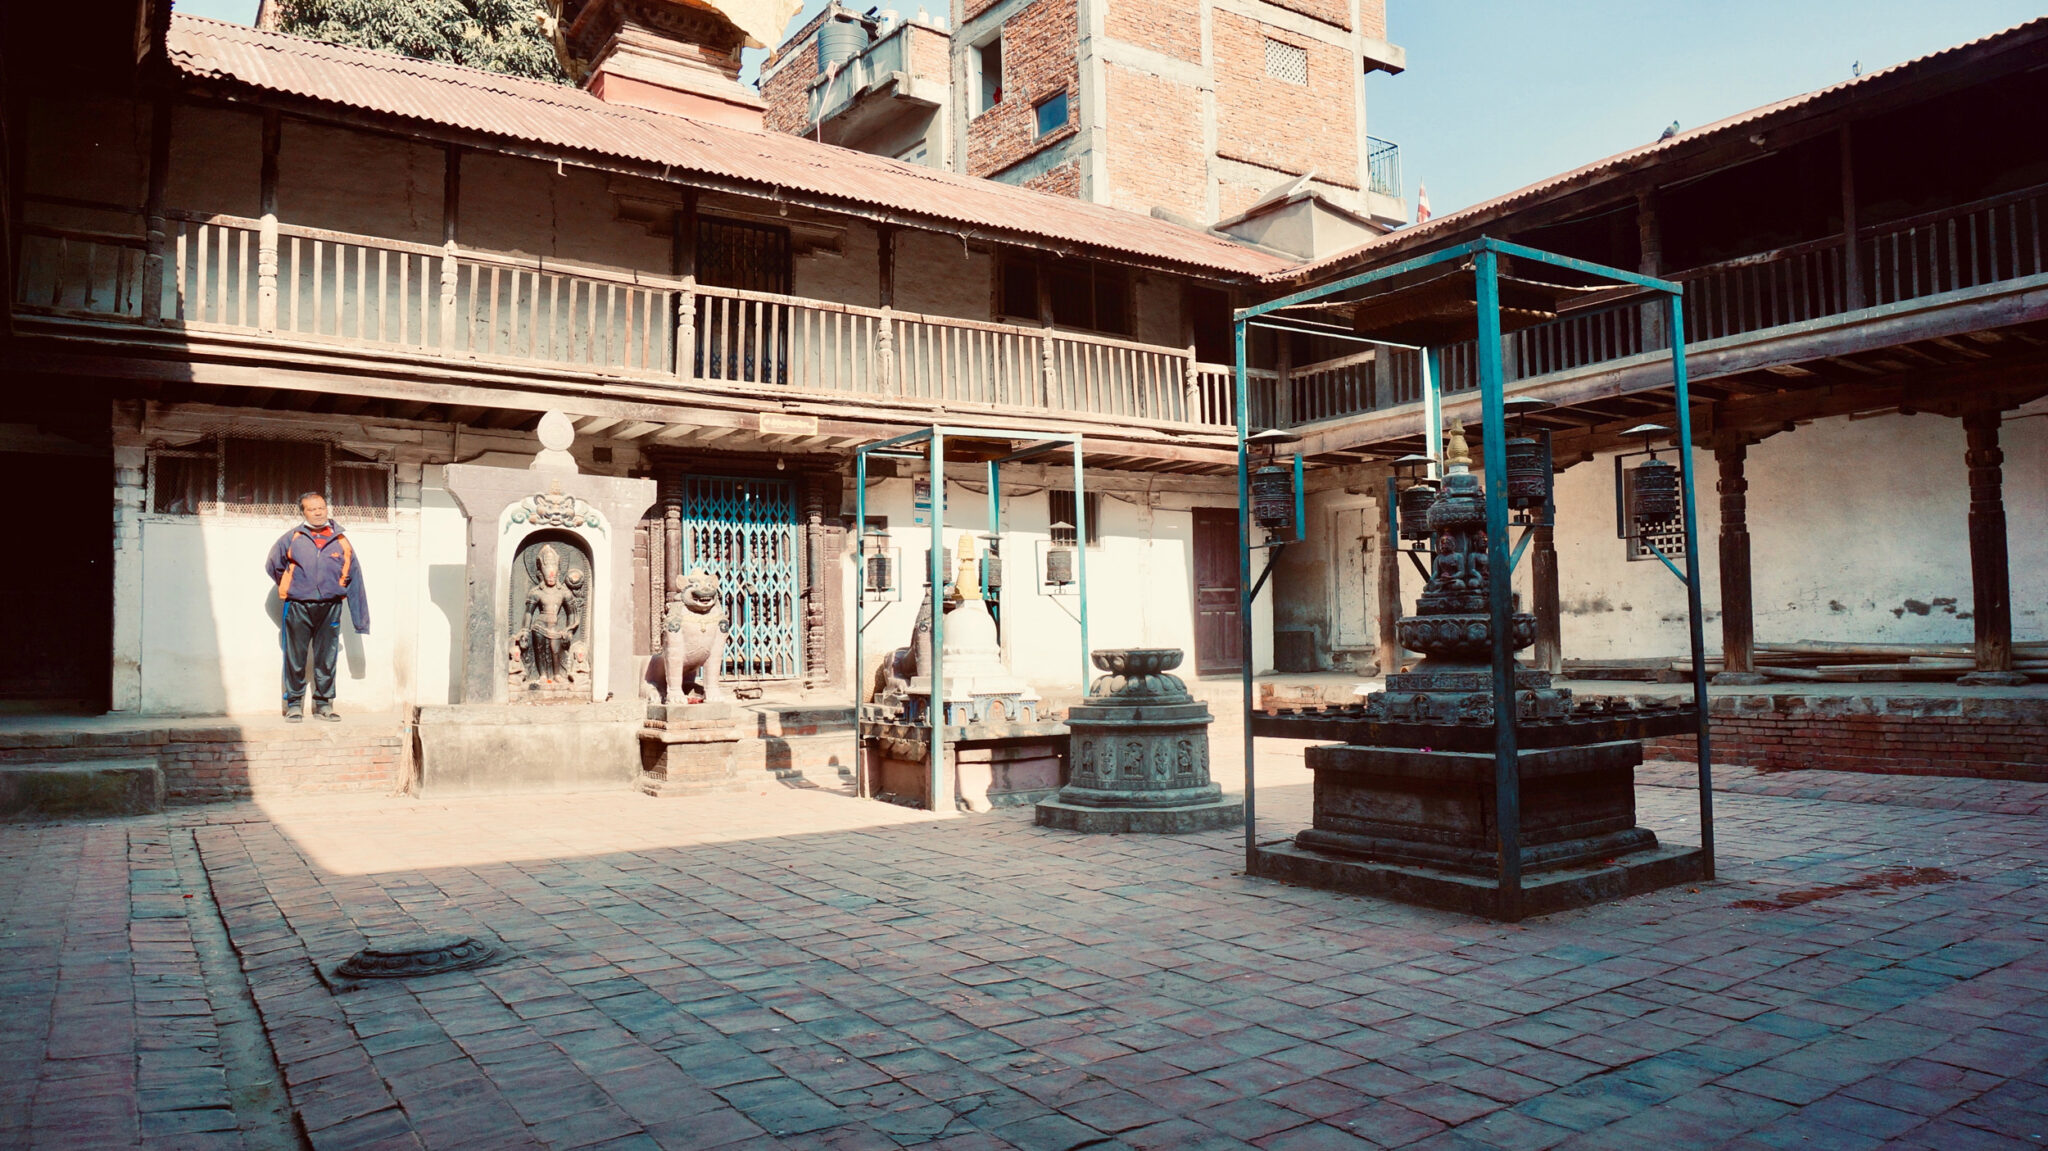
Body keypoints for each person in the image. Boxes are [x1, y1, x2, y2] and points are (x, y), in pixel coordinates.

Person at [265, 492, 370, 721]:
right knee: (295, 657)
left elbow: (355, 578)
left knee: (326, 657)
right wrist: (295, 585)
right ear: (302, 512)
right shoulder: (292, 538)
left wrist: (361, 621)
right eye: (312, 509)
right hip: (297, 606)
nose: (318, 512)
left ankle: (324, 705)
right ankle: (293, 705)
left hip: (330, 607)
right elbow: (274, 565)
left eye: (321, 507)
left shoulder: (341, 541)